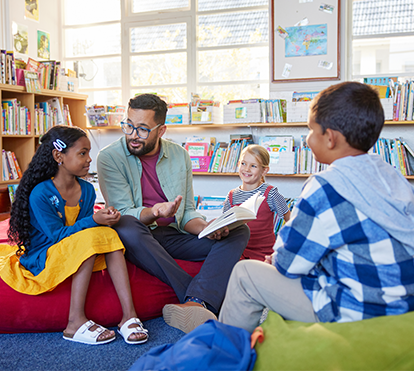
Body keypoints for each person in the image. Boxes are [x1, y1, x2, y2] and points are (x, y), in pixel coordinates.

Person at [219, 81, 414, 333]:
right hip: (404, 301)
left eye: (311, 130)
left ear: (330, 138)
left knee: (245, 274)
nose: (308, 139)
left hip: (361, 309)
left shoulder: (325, 185)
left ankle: (223, 353)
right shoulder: (390, 173)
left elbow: (289, 263)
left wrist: (276, 259)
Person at [97, 93, 250, 333]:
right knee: (126, 224)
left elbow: (187, 212)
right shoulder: (109, 157)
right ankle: (197, 295)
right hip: (136, 238)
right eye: (129, 125)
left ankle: (195, 303)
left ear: (161, 130)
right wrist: (155, 212)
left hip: (171, 236)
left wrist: (207, 228)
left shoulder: (180, 155)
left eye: (142, 129)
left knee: (239, 230)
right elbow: (123, 212)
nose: (133, 135)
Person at [1, 126, 148, 345]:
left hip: (72, 249)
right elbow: (58, 235)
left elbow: (85, 228)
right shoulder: (41, 193)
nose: (90, 159)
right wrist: (94, 221)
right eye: (82, 153)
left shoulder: (87, 190)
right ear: (58, 156)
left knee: (108, 234)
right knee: (88, 239)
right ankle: (75, 322)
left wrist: (104, 219)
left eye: (88, 153)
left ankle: (129, 315)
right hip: (45, 253)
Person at [223, 144, 290, 261]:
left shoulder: (270, 193)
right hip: (238, 254)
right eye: (243, 163)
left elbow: (291, 220)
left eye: (253, 166)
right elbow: (225, 226)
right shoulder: (231, 196)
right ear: (238, 164)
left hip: (264, 255)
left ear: (264, 170)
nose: (247, 169)